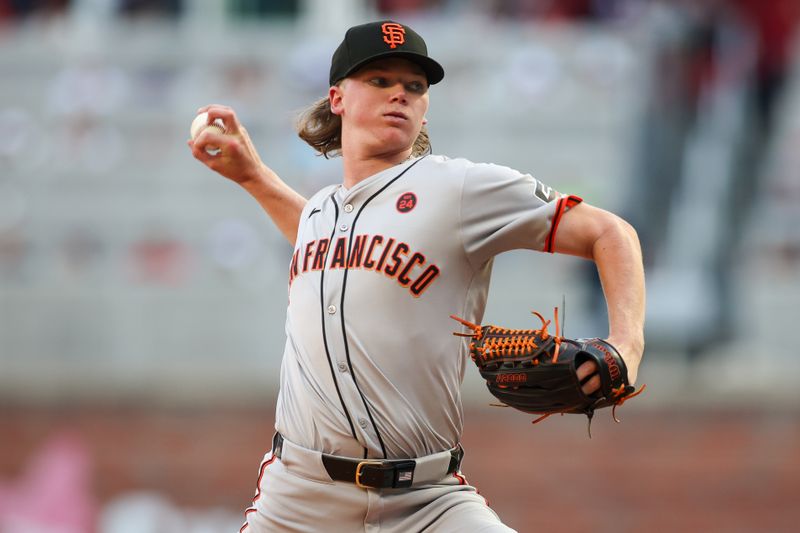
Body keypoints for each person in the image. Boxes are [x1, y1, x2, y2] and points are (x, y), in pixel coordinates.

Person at [189, 20, 645, 533]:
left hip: (428, 502)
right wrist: (253, 176)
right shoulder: (321, 211)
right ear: (337, 98)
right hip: (297, 502)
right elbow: (340, 250)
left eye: (414, 86)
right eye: (380, 81)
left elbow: (611, 233)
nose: (400, 95)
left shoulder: (459, 190)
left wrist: (626, 345)